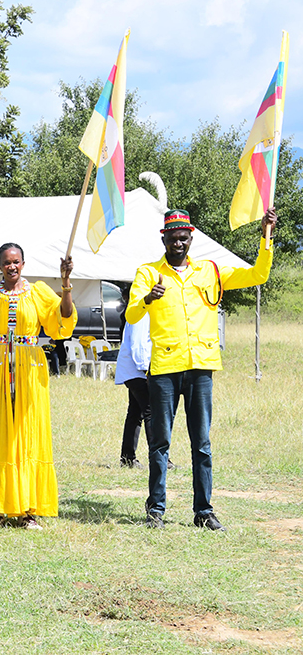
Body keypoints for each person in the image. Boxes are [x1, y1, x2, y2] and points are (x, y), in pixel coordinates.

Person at [126, 208, 277, 531]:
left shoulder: (210, 271)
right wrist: (148, 299)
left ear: (191, 238)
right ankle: (156, 509)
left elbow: (258, 275)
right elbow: (131, 315)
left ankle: (204, 511)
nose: (178, 243)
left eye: (183, 237)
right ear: (163, 238)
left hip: (200, 367)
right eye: (173, 238)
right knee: (160, 442)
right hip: (165, 367)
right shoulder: (149, 273)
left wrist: (266, 237)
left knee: (202, 443)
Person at [0, 243, 75, 530]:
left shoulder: (37, 291)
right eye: (6, 262)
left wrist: (65, 284)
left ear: (23, 263)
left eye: (16, 262)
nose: (11, 266)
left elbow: (61, 320)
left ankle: (28, 511)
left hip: (29, 370)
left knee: (27, 435)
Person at [115, 316, 152, 469]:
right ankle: (160, 458)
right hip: (139, 370)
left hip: (134, 371)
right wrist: (145, 368)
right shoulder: (142, 313)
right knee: (152, 413)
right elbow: (138, 341)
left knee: (135, 414)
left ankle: (127, 458)